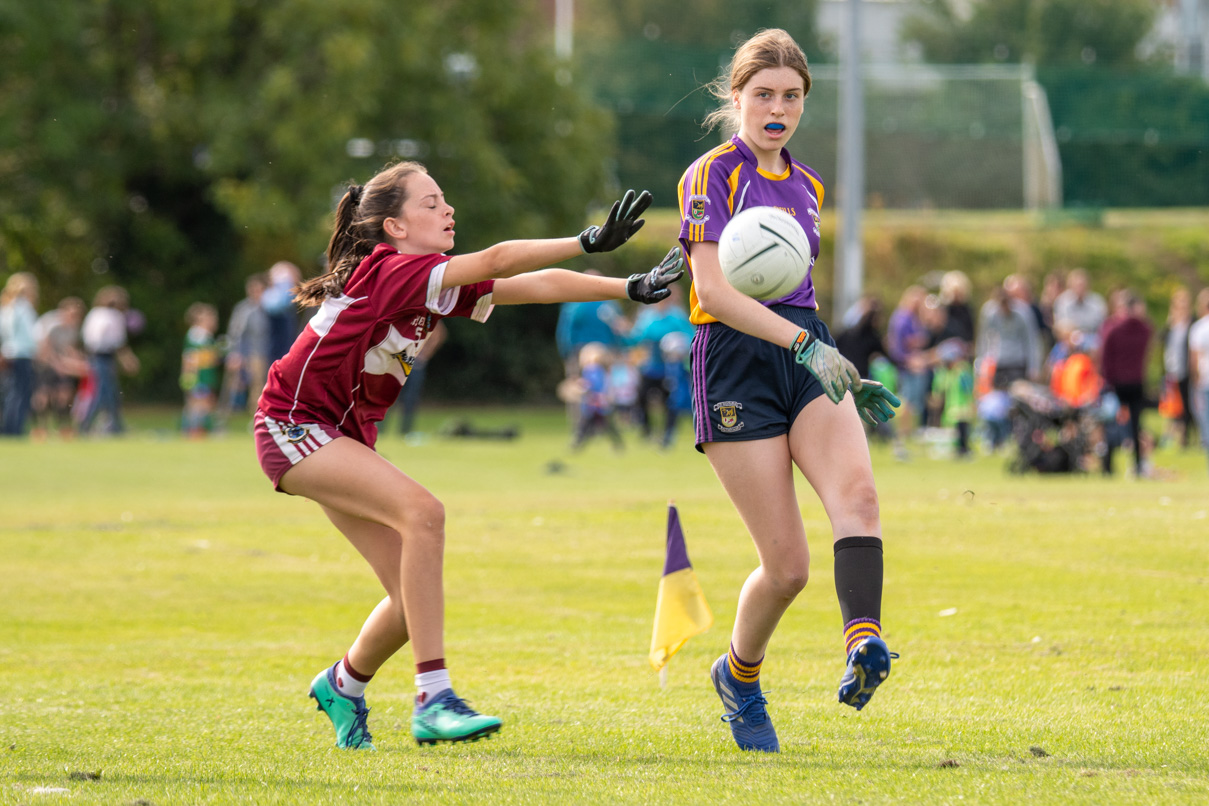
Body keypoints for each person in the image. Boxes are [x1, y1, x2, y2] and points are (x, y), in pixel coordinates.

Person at [252, 160, 681, 750]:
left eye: (444, 199)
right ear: (394, 227)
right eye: (431, 203)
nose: (447, 209)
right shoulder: (392, 270)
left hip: (336, 438)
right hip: (294, 425)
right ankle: (434, 699)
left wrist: (626, 287)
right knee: (425, 513)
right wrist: (585, 241)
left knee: (410, 601)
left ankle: (342, 684)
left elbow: (527, 286)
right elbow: (502, 259)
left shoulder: (423, 279)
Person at [676, 29, 900, 754]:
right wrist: (802, 343)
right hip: (735, 359)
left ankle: (863, 641)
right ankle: (738, 676)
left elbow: (792, 291)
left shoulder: (807, 184)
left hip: (806, 349)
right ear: (735, 96)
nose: (777, 108)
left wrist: (832, 358)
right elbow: (710, 289)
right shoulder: (711, 174)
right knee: (787, 568)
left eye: (791, 96)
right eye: (763, 94)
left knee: (857, 497)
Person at [1097, 289, 1153, 477]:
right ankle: (1137, 464)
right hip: (1136, 381)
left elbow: (1104, 357)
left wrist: (1106, 380)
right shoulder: (1144, 329)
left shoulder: (1112, 328)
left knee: (1111, 424)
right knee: (1136, 425)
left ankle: (1107, 466)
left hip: (1115, 382)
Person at [79, 285, 139, 435]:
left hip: (95, 356)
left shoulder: (94, 313)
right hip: (104, 356)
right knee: (104, 392)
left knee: (107, 391)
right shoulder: (115, 316)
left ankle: (113, 425)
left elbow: (87, 338)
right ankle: (88, 425)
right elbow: (118, 342)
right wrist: (128, 360)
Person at [31, 297, 89, 439]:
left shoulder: (73, 329)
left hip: (61, 365)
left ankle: (63, 427)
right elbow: (45, 350)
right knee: (43, 396)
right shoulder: (52, 326)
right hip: (44, 365)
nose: (74, 318)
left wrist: (76, 360)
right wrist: (58, 365)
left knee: (65, 394)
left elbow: (69, 349)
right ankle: (40, 428)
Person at [219, 273, 271, 417]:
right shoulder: (243, 309)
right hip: (245, 352)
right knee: (234, 385)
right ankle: (223, 417)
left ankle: (257, 416)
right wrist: (233, 353)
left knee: (259, 387)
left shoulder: (271, 309)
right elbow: (234, 333)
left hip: (263, 352)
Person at [390, 318, 446, 438]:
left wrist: (425, 354)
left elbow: (439, 334)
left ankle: (405, 430)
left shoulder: (428, 315)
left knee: (410, 398)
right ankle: (380, 429)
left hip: (416, 363)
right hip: (398, 362)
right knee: (390, 397)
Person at [0, 272, 40, 436]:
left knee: (11, 393)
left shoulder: (7, 307)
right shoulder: (24, 306)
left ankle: (8, 428)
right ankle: (15, 429)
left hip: (10, 352)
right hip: (22, 354)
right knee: (21, 394)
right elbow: (31, 334)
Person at [569, 341, 624, 452]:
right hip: (591, 403)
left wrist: (584, 386)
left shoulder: (596, 370)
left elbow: (596, 385)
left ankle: (618, 444)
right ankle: (578, 444)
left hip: (598, 402)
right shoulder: (589, 370)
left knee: (606, 425)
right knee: (585, 424)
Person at [180, 302, 223, 438]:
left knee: (207, 402)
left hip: (207, 375)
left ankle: (200, 428)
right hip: (199, 375)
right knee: (199, 403)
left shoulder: (206, 335)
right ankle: (194, 429)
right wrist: (188, 375)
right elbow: (190, 356)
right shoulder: (196, 335)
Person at [1160, 287, 1195, 448]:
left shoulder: (1192, 322)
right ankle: (1174, 436)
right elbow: (1163, 341)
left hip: (1186, 369)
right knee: (1172, 406)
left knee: (1188, 403)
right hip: (1171, 369)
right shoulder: (1171, 323)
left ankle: (1186, 437)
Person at [1053, 268, 1107, 343]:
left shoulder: (1097, 302)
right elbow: (1061, 327)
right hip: (1068, 342)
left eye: (1082, 285)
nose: (1080, 288)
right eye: (1077, 285)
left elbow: (1102, 326)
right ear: (1070, 285)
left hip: (1093, 342)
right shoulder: (1062, 301)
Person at [1188, 289, 1209, 471]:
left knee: (1206, 423)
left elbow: (1194, 359)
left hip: (1205, 381)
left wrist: (1194, 381)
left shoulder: (1199, 328)